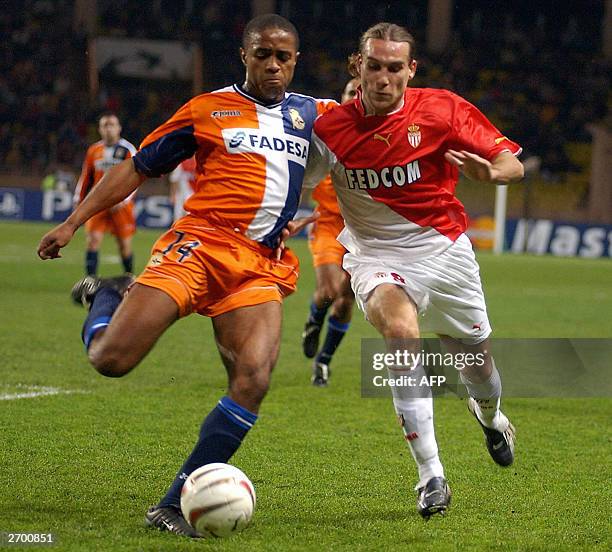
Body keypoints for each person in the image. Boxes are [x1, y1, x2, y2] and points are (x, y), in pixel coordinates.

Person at [37, 14, 332, 538]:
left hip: (259, 265)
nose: (272, 65)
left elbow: (378, 122)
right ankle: (106, 295)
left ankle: (174, 503)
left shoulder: (312, 115)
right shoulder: (207, 109)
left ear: (296, 61)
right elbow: (136, 167)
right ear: (244, 55)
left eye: (283, 57)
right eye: (262, 54)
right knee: (111, 360)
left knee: (254, 378)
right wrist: (72, 222)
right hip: (200, 247)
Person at [303, 22, 524, 518]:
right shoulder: (329, 130)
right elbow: (298, 185)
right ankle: (431, 476)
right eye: (374, 67)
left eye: (394, 68)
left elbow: (512, 165)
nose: (383, 78)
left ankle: (488, 418)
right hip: (376, 256)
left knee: (480, 369)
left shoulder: (442, 108)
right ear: (357, 67)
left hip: (445, 253)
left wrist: (492, 172)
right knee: (401, 336)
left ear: (411, 70)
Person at [302, 78, 358, 386]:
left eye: (361, 92)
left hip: (362, 228)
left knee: (346, 298)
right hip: (327, 222)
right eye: (351, 90)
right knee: (328, 290)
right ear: (341, 97)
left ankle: (323, 361)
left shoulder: (383, 135)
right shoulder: (324, 129)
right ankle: (314, 317)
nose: (356, 96)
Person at [73, 112, 137, 276]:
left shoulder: (128, 150)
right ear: (100, 129)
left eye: (112, 125)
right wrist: (78, 199)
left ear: (119, 128)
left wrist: (123, 200)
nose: (108, 129)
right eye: (105, 125)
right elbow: (86, 177)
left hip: (120, 205)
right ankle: (90, 282)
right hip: (98, 202)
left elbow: (137, 177)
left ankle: (129, 277)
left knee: (124, 246)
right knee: (92, 241)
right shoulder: (94, 150)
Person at [168, 155, 197, 221]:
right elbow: (174, 180)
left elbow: (174, 180)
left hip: (191, 193)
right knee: (180, 215)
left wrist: (173, 194)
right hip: (183, 193)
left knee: (182, 215)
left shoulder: (197, 163)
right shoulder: (182, 163)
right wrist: (173, 194)